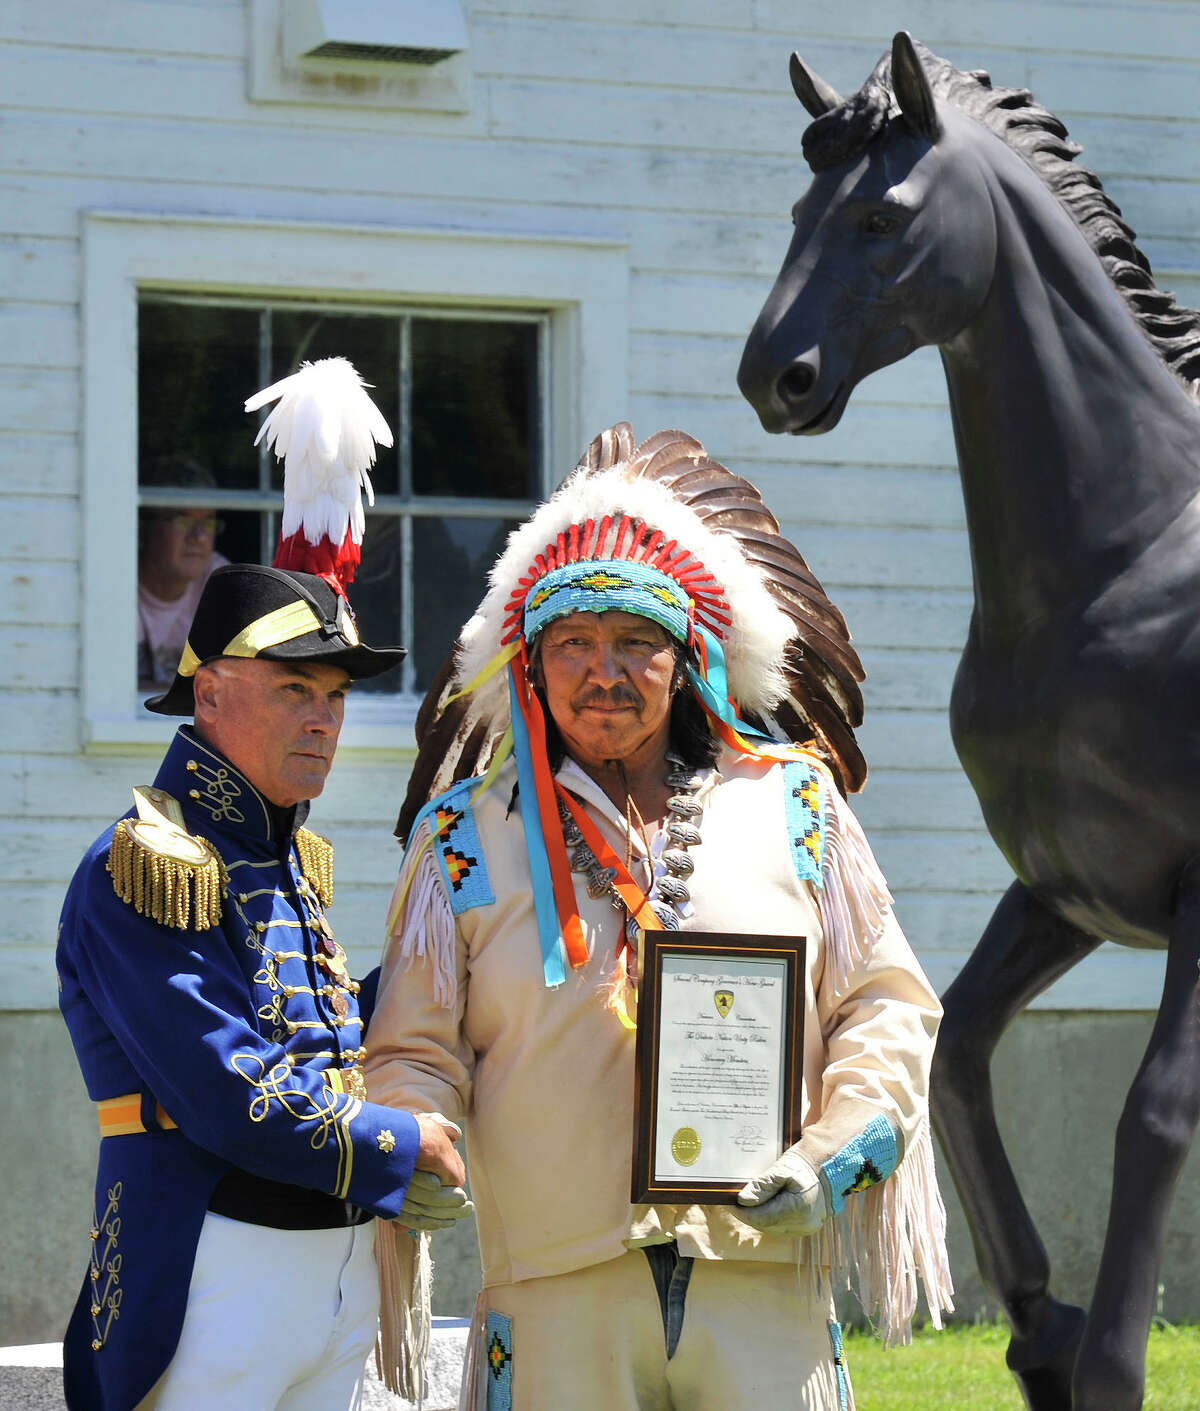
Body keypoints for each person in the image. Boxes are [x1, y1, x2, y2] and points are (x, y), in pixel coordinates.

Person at [366, 424, 954, 1411]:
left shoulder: (794, 807)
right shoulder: (465, 837)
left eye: (637, 642)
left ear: (686, 661)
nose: (606, 671)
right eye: (576, 644)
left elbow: (886, 1006)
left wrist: (830, 1154)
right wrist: (417, 1136)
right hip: (557, 1293)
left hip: (760, 1275)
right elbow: (414, 1045)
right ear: (532, 665)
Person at [58, 363, 473, 1411]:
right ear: (209, 693)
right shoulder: (146, 862)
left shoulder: (286, 859)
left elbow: (326, 1039)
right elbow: (223, 1086)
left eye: (333, 696)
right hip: (212, 1265)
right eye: (295, 689)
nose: (325, 720)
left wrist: (455, 964)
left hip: (327, 1269)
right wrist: (398, 1138)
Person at [137, 459, 230, 691]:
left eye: (208, 523)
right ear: (143, 527)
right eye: (183, 519)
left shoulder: (217, 580)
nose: (198, 536)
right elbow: (110, 687)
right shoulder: (115, 580)